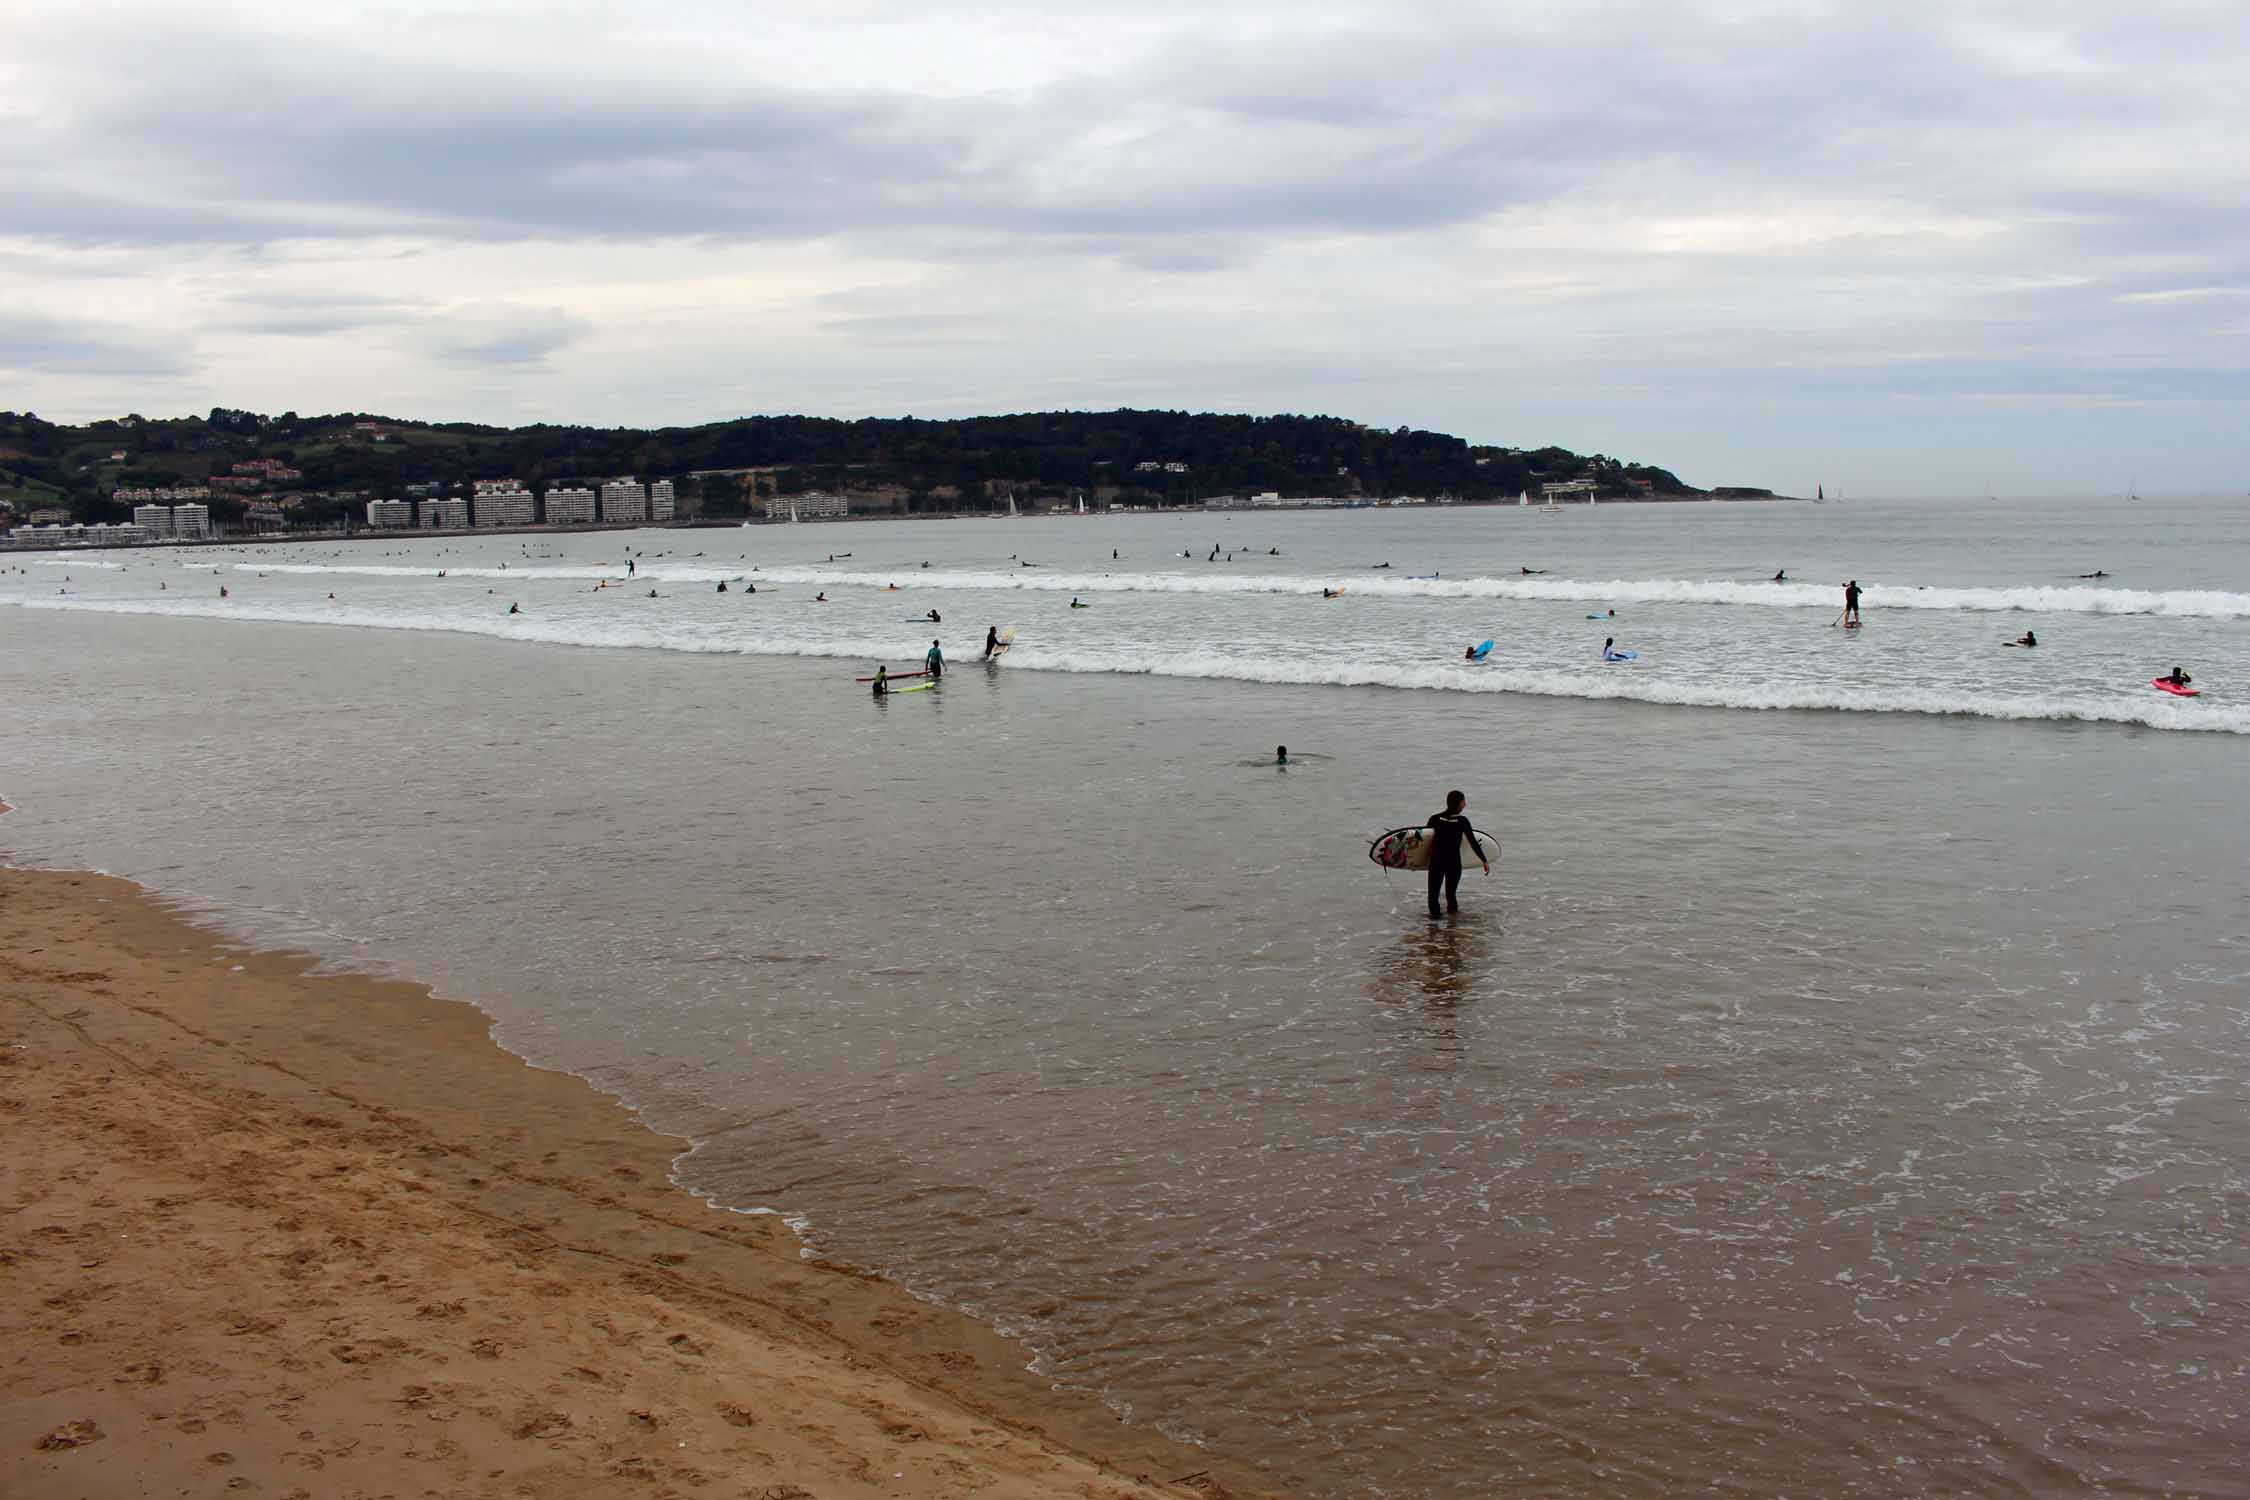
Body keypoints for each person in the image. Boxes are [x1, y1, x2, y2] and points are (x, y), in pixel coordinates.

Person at [1424, 790, 1489, 919]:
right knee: (1451, 896)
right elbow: (1473, 842)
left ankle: (1434, 929)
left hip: (1437, 862)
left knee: (1433, 896)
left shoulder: (1435, 818)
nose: (1465, 804)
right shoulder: (1462, 821)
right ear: (1460, 804)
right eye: (1464, 801)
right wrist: (1484, 861)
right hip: (1453, 863)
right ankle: (1452, 928)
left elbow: (1425, 841)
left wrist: (1417, 862)